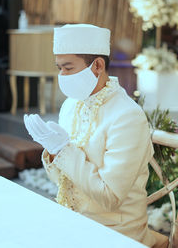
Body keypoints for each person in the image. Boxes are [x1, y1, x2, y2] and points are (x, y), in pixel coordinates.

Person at [24, 24, 158, 247]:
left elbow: (110, 198)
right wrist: (52, 152)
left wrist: (64, 151)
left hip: (116, 233)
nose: (62, 76)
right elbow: (63, 184)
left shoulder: (127, 116)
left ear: (97, 65)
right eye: (59, 68)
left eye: (68, 68)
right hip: (73, 221)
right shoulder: (71, 105)